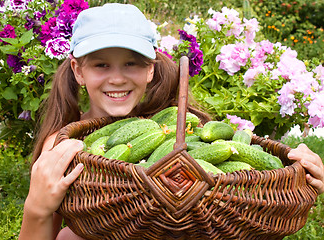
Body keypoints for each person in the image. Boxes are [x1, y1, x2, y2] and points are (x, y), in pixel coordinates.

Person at [19, 3, 324, 240]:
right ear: (78, 70)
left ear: (150, 69)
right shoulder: (62, 148)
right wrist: (37, 208)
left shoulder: (183, 128)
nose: (116, 77)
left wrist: (298, 178)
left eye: (131, 63)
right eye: (101, 64)